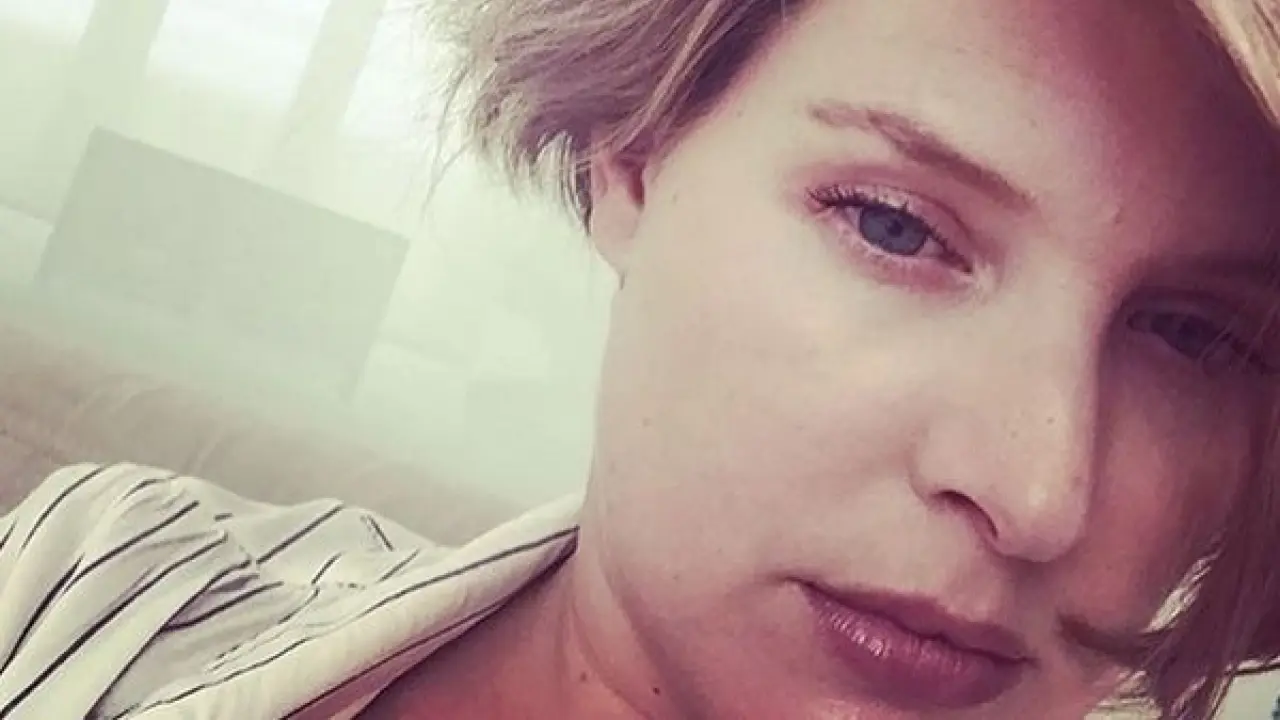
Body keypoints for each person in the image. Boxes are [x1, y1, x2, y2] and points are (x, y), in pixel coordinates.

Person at [2, 0, 1280, 718]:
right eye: (894, 226)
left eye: (1193, 333)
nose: (1038, 492)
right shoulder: (106, 571)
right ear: (634, 158)